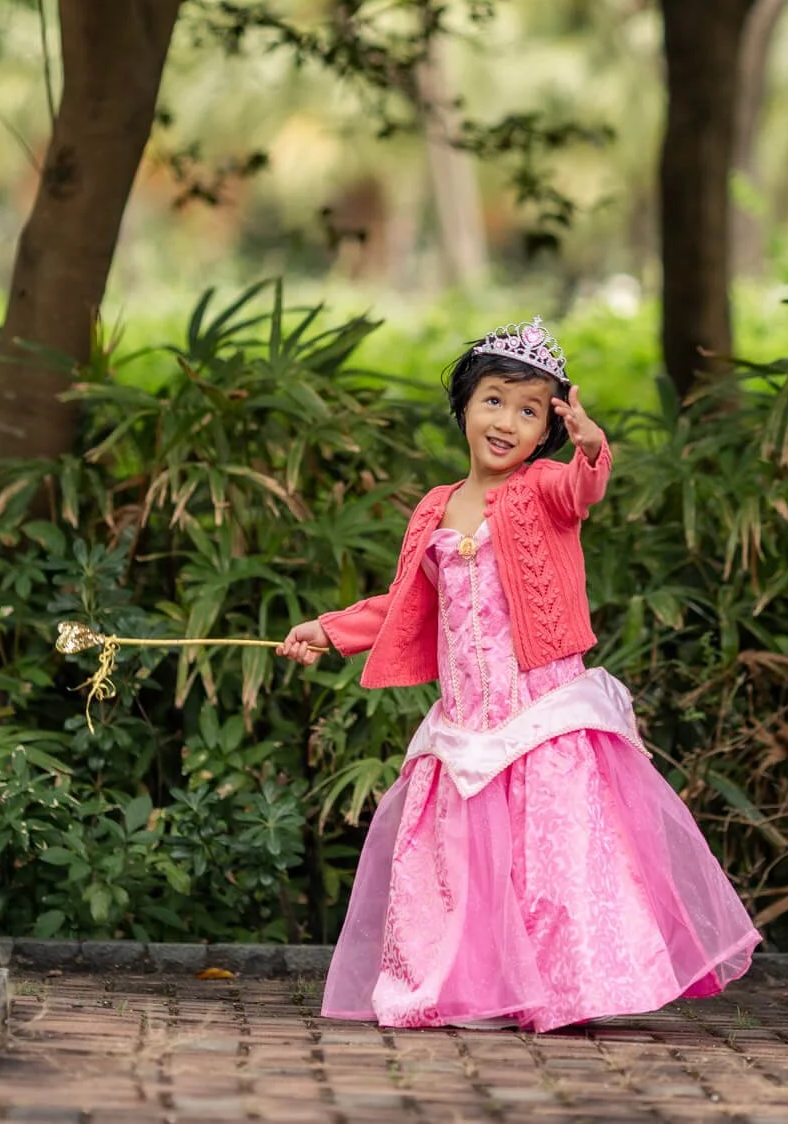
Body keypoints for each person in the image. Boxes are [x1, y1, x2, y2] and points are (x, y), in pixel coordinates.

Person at [278, 316, 760, 1031]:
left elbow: (582, 491)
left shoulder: (543, 490)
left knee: (554, 859)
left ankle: (569, 991)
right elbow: (408, 601)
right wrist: (329, 630)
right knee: (463, 866)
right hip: (468, 722)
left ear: (546, 432)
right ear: (466, 407)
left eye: (530, 412)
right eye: (495, 401)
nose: (508, 421)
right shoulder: (436, 508)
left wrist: (594, 449)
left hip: (540, 712)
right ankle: (473, 986)